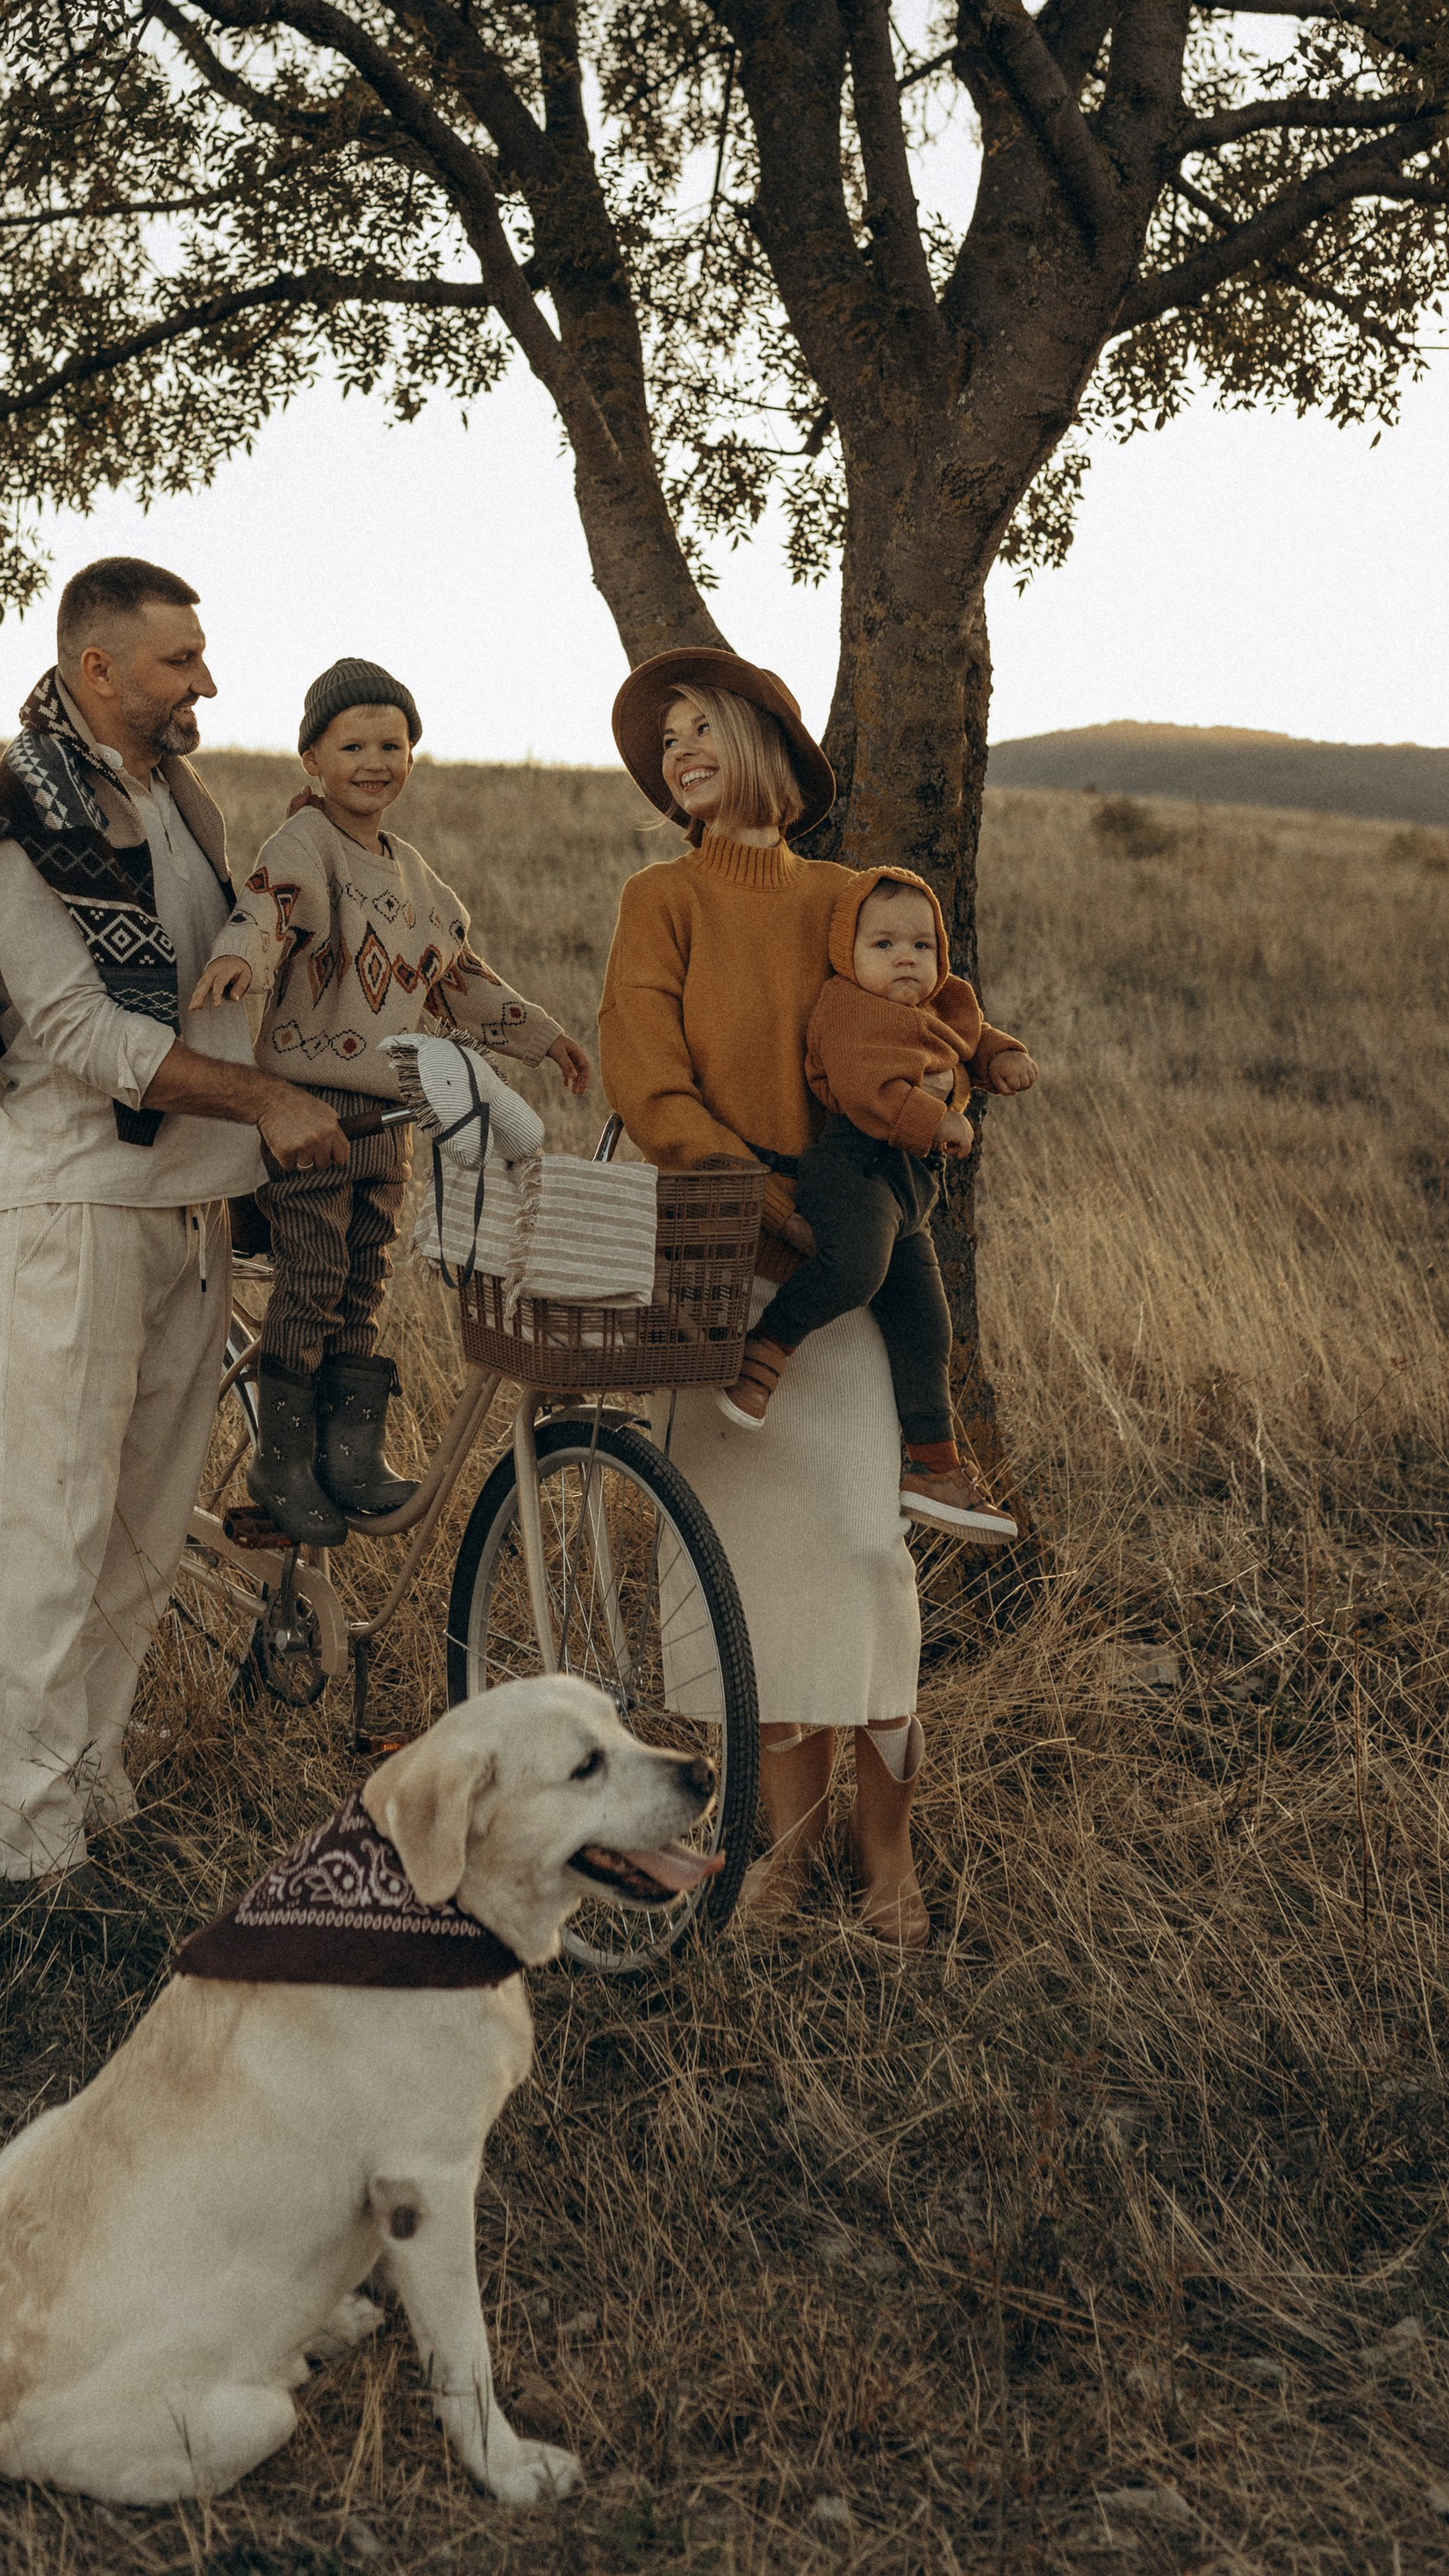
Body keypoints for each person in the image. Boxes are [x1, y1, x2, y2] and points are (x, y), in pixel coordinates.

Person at [0, 558, 350, 1909]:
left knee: (142, 1528)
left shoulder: (181, 799)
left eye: (201, 656)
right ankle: (32, 1844)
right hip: (77, 1208)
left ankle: (90, 1777)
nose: (206, 682)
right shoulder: (20, 821)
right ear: (98, 667)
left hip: (190, 1206)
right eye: (179, 660)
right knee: (54, 1520)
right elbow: (81, 1033)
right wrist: (266, 1103)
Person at [595, 654, 931, 1943]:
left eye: (702, 727)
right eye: (665, 737)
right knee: (752, 1583)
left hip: (846, 1274)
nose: (678, 749)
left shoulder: (852, 900)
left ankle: (886, 1856)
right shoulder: (660, 898)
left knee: (861, 1559)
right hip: (717, 1265)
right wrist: (748, 1191)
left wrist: (909, 1134)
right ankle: (778, 1860)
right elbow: (646, 1073)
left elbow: (916, 1034)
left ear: (765, 746)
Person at [191, 657, 592, 1544]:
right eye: (352, 746)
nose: (374, 762)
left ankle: (348, 1455)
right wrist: (239, 959)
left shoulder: (416, 877)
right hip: (309, 1110)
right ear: (312, 761)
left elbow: (461, 978)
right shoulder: (304, 845)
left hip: (390, 1118)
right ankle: (282, 1459)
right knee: (313, 1272)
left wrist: (542, 1036)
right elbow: (267, 911)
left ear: (411, 755)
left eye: (392, 745)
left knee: (365, 1275)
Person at [717, 867, 1034, 1541]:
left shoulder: (946, 1002)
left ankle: (933, 1467)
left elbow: (971, 1037)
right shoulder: (849, 1007)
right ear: (849, 954)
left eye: (921, 946)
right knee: (855, 1267)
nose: (905, 960)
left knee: (926, 1322)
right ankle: (762, 1351)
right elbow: (865, 1088)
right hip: (854, 1167)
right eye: (883, 945)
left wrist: (1000, 1057)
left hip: (910, 1191)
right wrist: (935, 1119)